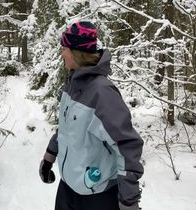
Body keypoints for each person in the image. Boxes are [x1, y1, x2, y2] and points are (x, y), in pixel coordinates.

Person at [39, 21, 144, 210]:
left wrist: (128, 201)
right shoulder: (72, 83)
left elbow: (127, 146)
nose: (62, 54)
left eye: (65, 49)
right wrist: (49, 157)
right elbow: (65, 127)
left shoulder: (102, 93)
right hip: (68, 189)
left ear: (77, 53)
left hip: (97, 196)